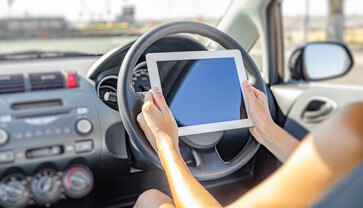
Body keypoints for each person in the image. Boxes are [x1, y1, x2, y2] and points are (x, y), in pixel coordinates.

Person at [134, 80, 363, 208]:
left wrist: (166, 144)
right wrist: (266, 130)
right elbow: (331, 175)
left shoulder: (355, 124)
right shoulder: (353, 131)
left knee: (151, 200)